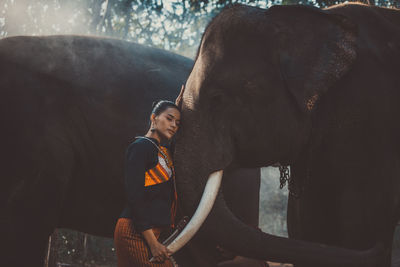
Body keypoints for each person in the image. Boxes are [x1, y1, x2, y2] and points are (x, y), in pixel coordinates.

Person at [114, 100, 181, 267]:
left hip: (149, 233)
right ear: (154, 118)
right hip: (134, 232)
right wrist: (152, 243)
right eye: (169, 118)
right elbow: (135, 196)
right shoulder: (140, 147)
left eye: (177, 123)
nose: (173, 125)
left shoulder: (163, 151)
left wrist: (183, 103)